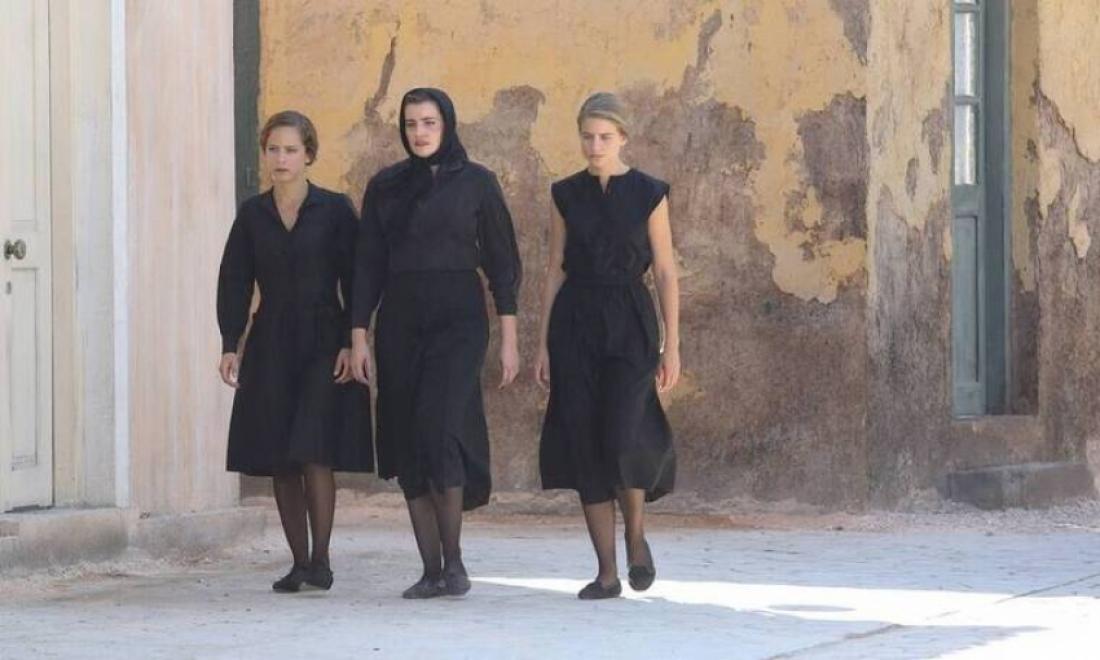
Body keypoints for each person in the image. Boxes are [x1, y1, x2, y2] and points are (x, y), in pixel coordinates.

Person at [351, 88, 522, 599]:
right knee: (407, 435)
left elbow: (503, 263)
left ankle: (456, 563)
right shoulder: (385, 186)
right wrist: (358, 335)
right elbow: (367, 265)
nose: (419, 132)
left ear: (446, 124)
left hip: (459, 319)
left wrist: (509, 339)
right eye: (410, 124)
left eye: (428, 122)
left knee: (441, 427)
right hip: (400, 319)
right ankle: (431, 571)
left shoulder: (478, 183)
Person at [217, 110, 373, 593]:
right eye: (273, 150)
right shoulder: (252, 215)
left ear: (309, 155)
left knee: (314, 450)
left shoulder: (335, 209)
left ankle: (322, 561)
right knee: (281, 455)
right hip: (271, 343)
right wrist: (230, 343)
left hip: (324, 340)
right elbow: (234, 281)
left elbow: (358, 278)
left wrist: (351, 340)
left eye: (290, 150)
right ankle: (299, 562)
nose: (280, 159)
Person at [535, 92, 680, 599]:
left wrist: (673, 345)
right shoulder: (564, 194)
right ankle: (606, 572)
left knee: (622, 435)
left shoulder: (648, 193)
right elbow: (554, 268)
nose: (594, 146)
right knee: (584, 442)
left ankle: (636, 538)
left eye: (604, 137)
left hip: (630, 321)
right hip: (574, 321)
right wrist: (542, 344)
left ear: (623, 139)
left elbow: (665, 270)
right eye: (587, 137)